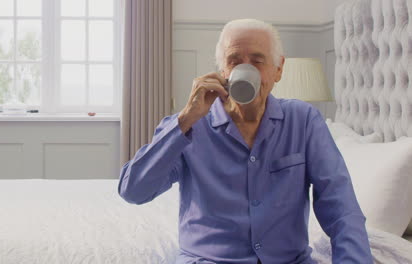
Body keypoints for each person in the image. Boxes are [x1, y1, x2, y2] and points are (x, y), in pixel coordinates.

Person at [118, 19, 373, 264]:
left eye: (257, 61)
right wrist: (186, 118)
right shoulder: (188, 125)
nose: (245, 69)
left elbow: (341, 209)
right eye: (235, 61)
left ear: (279, 70)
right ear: (223, 72)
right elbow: (133, 191)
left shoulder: (303, 121)